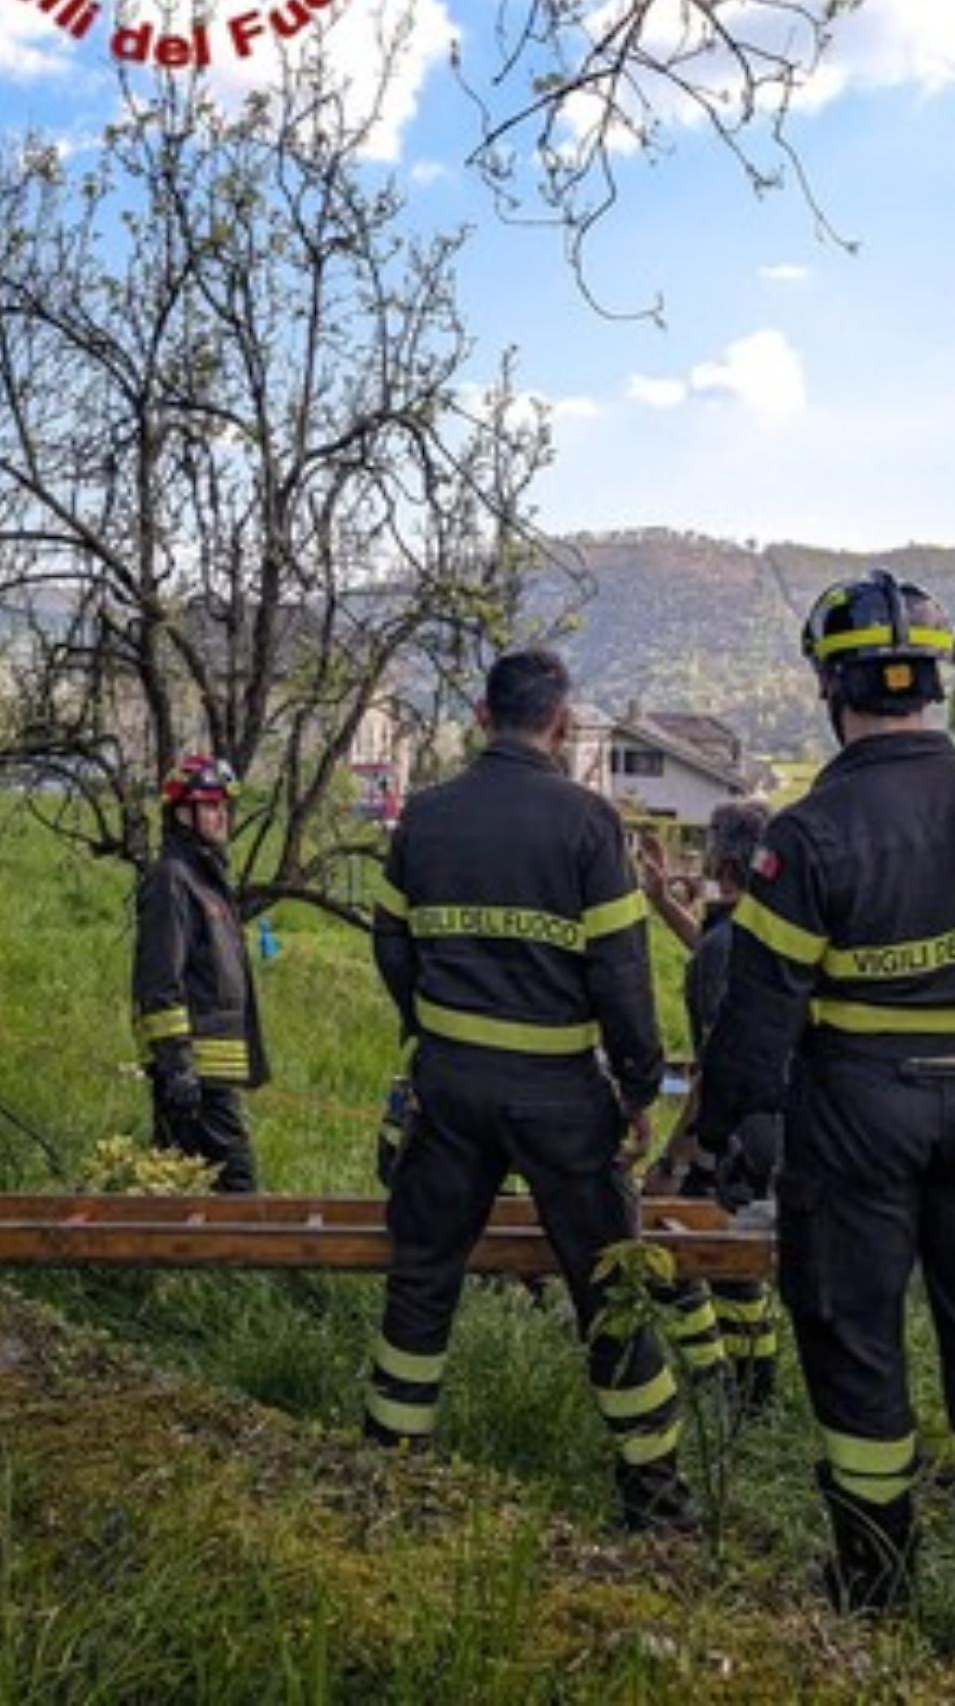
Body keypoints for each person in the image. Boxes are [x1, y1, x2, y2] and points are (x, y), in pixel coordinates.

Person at [695, 570, 955, 1650]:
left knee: (855, 1341)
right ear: (933, 681)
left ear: (831, 684)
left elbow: (757, 1021)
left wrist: (721, 1137)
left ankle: (873, 1591)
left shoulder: (809, 833)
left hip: (857, 1112)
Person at [368, 647, 697, 1533]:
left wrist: (429, 1026)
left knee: (422, 1274)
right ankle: (657, 1500)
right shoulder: (590, 825)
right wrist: (636, 1086)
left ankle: (390, 1468)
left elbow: (390, 946)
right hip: (561, 1099)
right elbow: (623, 976)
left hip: (450, 1088)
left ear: (482, 716)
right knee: (608, 1287)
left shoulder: (424, 818)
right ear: (559, 723)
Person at [641, 803, 779, 1408]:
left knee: (662, 1252)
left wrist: (674, 1159)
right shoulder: (771, 928)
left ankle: (712, 1382)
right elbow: (721, 956)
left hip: (734, 1134)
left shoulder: (728, 947)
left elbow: (720, 1067)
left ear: (721, 858)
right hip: (779, 1133)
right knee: (733, 1258)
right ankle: (755, 1393)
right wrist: (663, 903)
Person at [131, 753, 268, 1192]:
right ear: (183, 813)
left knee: (187, 1188)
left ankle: (193, 1260)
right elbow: (159, 981)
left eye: (224, 806)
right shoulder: (172, 880)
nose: (221, 815)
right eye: (210, 805)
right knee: (234, 1181)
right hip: (194, 1075)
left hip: (213, 1073)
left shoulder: (205, 878)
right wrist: (176, 1065)